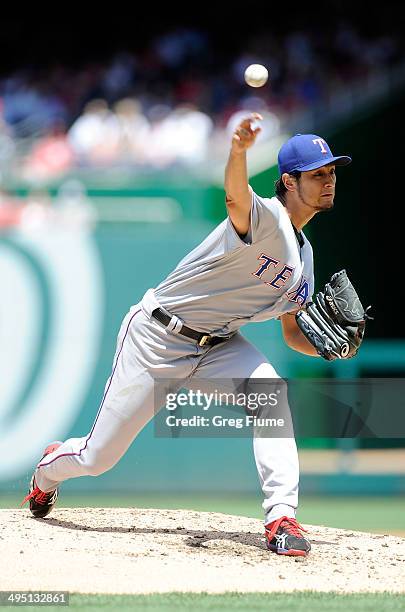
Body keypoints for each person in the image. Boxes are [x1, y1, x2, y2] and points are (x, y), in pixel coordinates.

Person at [22, 113, 351, 557]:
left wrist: (332, 350)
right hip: (157, 337)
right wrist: (237, 151)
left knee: (270, 396)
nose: (328, 180)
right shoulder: (268, 218)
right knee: (98, 458)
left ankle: (281, 519)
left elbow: (292, 333)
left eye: (331, 172)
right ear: (289, 182)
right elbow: (236, 197)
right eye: (317, 173)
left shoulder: (305, 262)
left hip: (218, 345)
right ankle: (47, 471)